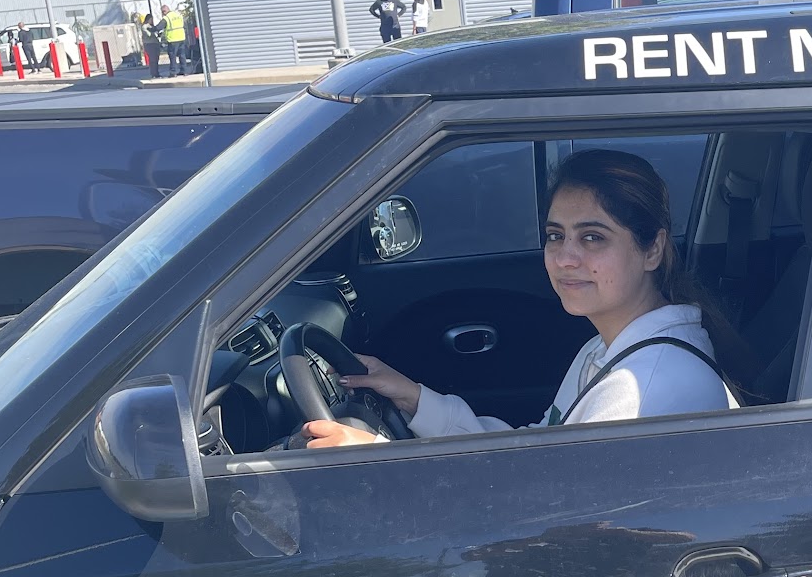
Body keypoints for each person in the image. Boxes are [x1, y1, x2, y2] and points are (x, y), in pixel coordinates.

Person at [305, 149, 737, 448]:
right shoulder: (608, 348)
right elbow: (536, 451)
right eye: (556, 235)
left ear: (652, 250)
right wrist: (414, 399)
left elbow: (545, 504)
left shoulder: (644, 387)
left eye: (593, 237)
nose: (564, 258)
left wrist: (377, 458)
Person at [162, 2, 188, 75]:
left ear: (164, 11)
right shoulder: (178, 15)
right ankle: (184, 71)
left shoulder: (167, 18)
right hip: (181, 38)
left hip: (173, 39)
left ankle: (173, 72)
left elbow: (159, 27)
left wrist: (151, 29)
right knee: (182, 55)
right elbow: (184, 24)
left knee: (172, 56)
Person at [141, 10, 163, 79]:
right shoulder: (145, 26)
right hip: (149, 44)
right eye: (151, 19)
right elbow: (149, 34)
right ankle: (153, 73)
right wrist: (152, 31)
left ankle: (157, 73)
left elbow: (155, 34)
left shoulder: (152, 26)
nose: (152, 21)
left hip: (155, 43)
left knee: (156, 59)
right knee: (153, 60)